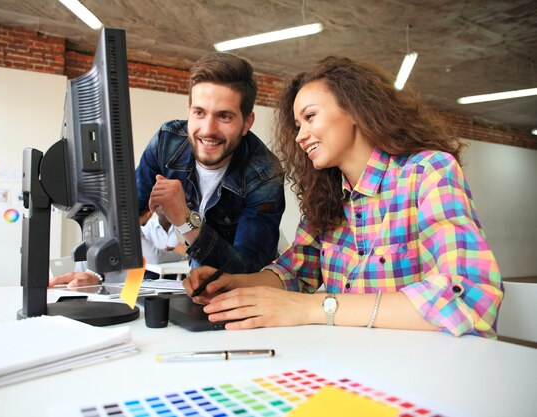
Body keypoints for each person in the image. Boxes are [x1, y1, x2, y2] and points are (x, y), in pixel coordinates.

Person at [184, 56, 503, 338]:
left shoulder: (428, 171)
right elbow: (295, 273)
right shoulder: (327, 196)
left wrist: (311, 308)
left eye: (309, 117)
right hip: (347, 364)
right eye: (297, 125)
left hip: (419, 371)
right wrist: (230, 283)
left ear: (354, 109)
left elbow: (470, 299)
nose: (299, 136)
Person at [50, 52, 285, 288]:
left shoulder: (265, 174)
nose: (208, 129)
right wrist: (98, 272)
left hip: (245, 300)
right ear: (189, 110)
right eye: (199, 113)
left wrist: (185, 221)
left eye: (224, 116)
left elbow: (249, 271)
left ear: (247, 122)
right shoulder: (168, 142)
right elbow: (123, 218)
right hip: (194, 287)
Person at [140, 208, 187, 280]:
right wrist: (174, 253)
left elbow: (187, 250)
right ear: (155, 210)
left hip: (178, 272)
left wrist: (165, 253)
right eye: (163, 208)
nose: (168, 212)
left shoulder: (183, 226)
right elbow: (150, 256)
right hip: (154, 273)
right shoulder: (147, 226)